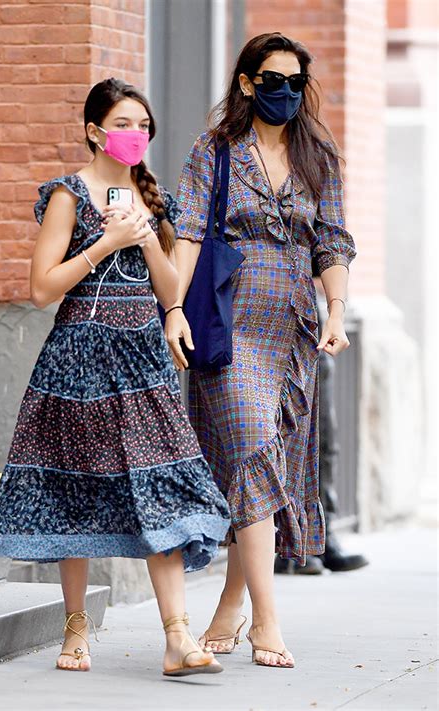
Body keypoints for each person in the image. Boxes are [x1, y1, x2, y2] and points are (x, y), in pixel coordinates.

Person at [0, 78, 231, 676]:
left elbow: (173, 289)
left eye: (144, 126)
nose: (136, 136)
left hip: (142, 363)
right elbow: (42, 288)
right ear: (95, 131)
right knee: (75, 491)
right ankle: (75, 630)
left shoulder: (154, 197)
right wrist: (107, 241)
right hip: (78, 361)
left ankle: (178, 638)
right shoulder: (68, 195)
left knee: (160, 484)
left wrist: (142, 237)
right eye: (124, 124)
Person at [165, 33, 356, 668]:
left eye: (297, 83)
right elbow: (189, 234)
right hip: (227, 323)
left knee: (266, 461)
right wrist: (172, 311)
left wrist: (335, 311)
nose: (287, 93)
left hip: (293, 331)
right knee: (250, 447)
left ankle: (229, 602)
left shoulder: (316, 154)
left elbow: (332, 240)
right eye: (274, 80)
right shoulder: (215, 151)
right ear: (248, 82)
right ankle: (267, 621)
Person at [275, 305, 369, 575]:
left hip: (312, 305)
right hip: (266, 294)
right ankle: (287, 544)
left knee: (324, 439)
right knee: (281, 437)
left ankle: (321, 538)